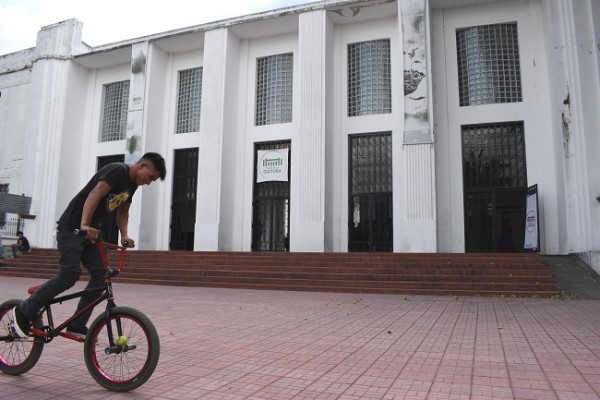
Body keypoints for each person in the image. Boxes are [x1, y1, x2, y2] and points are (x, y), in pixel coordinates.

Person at [11, 152, 166, 339]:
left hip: (92, 233)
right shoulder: (118, 170)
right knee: (69, 275)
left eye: (153, 181)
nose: (149, 182)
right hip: (72, 228)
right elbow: (95, 193)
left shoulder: (132, 185)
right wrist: (84, 224)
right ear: (142, 166)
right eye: (150, 177)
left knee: (102, 277)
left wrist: (124, 234)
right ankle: (24, 311)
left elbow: (123, 211)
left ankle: (77, 324)